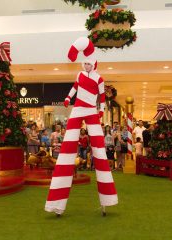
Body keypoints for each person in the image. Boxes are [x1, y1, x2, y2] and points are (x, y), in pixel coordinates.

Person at [45, 37, 118, 216]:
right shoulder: (79, 75)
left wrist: (101, 110)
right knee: (66, 150)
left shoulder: (99, 78)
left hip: (91, 111)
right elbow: (75, 87)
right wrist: (69, 98)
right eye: (84, 63)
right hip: (77, 109)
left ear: (93, 64)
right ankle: (57, 204)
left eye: (88, 64)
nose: (86, 66)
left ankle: (107, 200)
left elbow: (101, 96)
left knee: (99, 151)